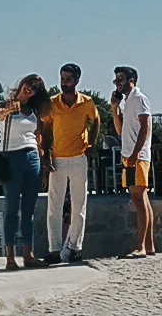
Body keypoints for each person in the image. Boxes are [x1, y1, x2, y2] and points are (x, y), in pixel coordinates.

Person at [42, 63, 99, 264]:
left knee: (79, 204)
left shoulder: (87, 103)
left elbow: (96, 121)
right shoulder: (52, 103)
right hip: (57, 158)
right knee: (54, 205)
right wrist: (45, 154)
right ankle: (54, 249)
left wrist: (92, 142)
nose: (64, 83)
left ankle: (75, 247)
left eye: (68, 79)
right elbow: (46, 128)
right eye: (62, 79)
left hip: (78, 157)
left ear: (76, 81)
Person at [0, 74, 51, 270]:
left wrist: (43, 165)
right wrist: (9, 109)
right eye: (29, 85)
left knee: (29, 209)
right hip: (12, 157)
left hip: (32, 156)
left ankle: (28, 254)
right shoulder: (6, 105)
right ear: (22, 83)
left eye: (35, 88)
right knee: (11, 209)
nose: (30, 89)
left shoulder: (33, 111)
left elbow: (38, 138)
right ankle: (10, 257)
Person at [111, 65, 155, 257]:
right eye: (116, 80)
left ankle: (141, 247)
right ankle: (149, 245)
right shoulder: (128, 101)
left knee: (138, 198)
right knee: (142, 198)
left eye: (120, 79)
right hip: (129, 155)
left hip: (137, 156)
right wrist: (114, 109)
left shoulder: (138, 98)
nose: (117, 84)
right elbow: (120, 130)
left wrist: (136, 153)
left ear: (132, 80)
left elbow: (145, 126)